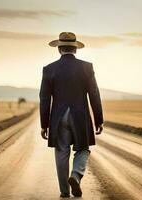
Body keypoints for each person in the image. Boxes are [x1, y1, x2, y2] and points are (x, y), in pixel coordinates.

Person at [39, 32, 103, 198]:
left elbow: (44, 98)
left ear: (59, 49)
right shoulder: (87, 67)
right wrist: (98, 119)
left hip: (58, 117)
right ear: (76, 50)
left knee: (61, 152)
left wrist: (44, 124)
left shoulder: (49, 69)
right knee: (83, 149)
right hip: (80, 115)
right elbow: (94, 94)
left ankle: (64, 192)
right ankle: (75, 175)